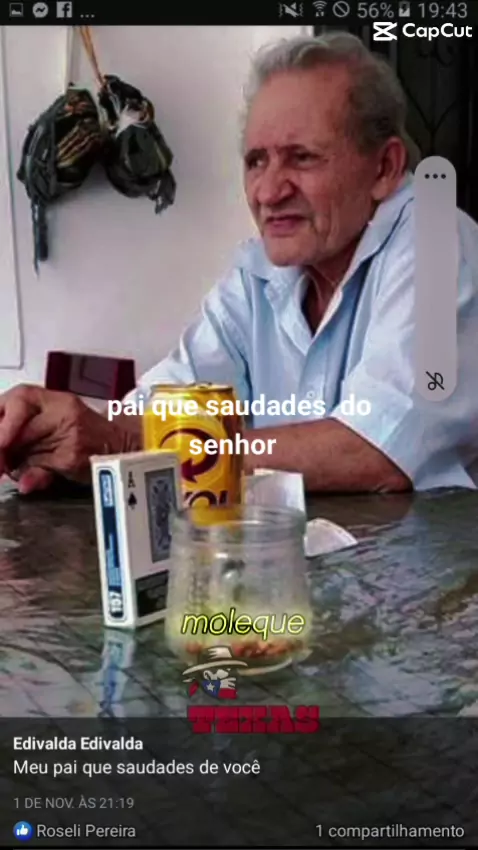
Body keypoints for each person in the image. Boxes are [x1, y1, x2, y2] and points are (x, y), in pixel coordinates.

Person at [1, 32, 478, 496]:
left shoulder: (437, 241)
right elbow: (168, 404)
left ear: (384, 168)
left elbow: (375, 450)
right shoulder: (259, 274)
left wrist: (124, 446)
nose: (268, 192)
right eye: (256, 162)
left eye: (302, 158)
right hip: (300, 547)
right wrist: (61, 439)